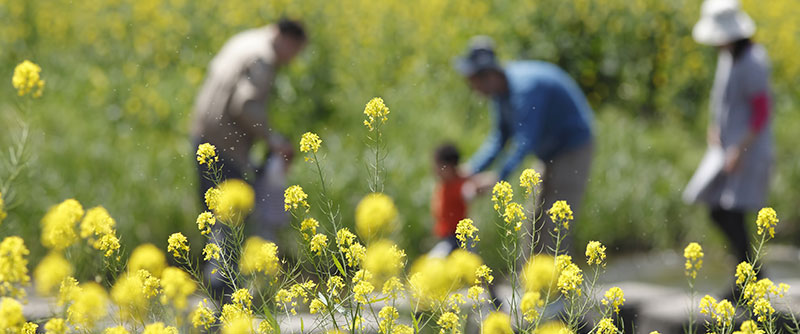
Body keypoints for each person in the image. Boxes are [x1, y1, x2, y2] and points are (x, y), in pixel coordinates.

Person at [190, 18, 307, 299]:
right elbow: (246, 104)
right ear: (287, 39)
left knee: (216, 214)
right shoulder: (263, 57)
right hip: (224, 146)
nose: (292, 60)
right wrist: (273, 140)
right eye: (296, 51)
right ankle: (223, 294)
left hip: (202, 136)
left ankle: (220, 293)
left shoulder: (243, 40)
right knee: (228, 220)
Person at [454, 36, 594, 254]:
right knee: (533, 225)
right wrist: (471, 169)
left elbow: (525, 141)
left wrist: (497, 177)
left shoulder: (525, 89)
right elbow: (499, 138)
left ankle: (559, 285)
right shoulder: (500, 93)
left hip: (572, 148)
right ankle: (530, 286)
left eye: (473, 80)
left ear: (489, 75)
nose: (472, 88)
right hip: (549, 151)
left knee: (554, 226)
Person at [685, 0, 773, 269]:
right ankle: (748, 273)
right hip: (727, 149)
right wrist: (715, 128)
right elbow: (724, 100)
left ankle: (750, 274)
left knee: (730, 212)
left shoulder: (753, 60)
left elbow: (762, 111)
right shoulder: (729, 56)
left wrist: (739, 148)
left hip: (747, 150)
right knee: (719, 209)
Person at [429, 143, 477, 256]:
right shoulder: (445, 183)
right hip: (446, 238)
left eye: (438, 166)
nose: (435, 170)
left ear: (450, 167)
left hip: (457, 239)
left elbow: (472, 189)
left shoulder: (460, 187)